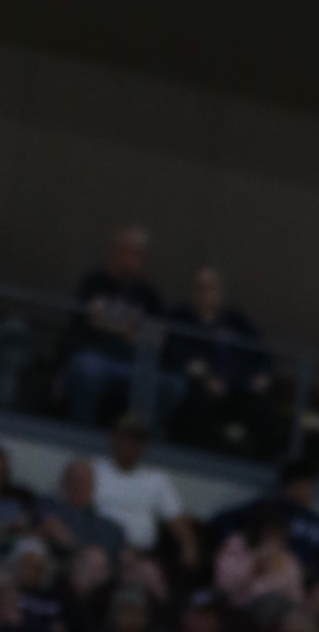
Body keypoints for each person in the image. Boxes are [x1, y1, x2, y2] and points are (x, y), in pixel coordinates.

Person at [161, 266, 272, 454]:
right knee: (197, 404)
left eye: (211, 288)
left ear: (221, 292)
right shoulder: (182, 317)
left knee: (261, 410)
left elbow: (261, 353)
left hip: (237, 387)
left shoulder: (236, 321)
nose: (206, 294)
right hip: (198, 387)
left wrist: (262, 374)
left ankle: (257, 458)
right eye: (201, 288)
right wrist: (204, 376)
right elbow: (175, 351)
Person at [64, 225, 164, 426]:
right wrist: (131, 325)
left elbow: (155, 337)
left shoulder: (149, 295)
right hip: (96, 353)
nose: (134, 258)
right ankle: (82, 432)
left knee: (157, 382)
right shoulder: (94, 282)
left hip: (131, 362)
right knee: (88, 369)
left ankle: (140, 441)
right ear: (117, 251)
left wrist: (107, 318)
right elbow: (86, 319)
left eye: (140, 254)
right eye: (130, 251)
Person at [92, 418, 198, 570]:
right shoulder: (94, 471)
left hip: (141, 555)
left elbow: (176, 518)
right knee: (93, 560)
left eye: (136, 442)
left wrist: (189, 546)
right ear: (113, 440)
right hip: (99, 549)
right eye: (125, 439)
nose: (130, 446)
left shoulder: (158, 480)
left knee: (149, 573)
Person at [37, 460, 125, 562]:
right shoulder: (49, 504)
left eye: (84, 482)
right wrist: (81, 549)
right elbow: (54, 528)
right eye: (74, 481)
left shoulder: (101, 522)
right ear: (64, 483)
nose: (79, 487)